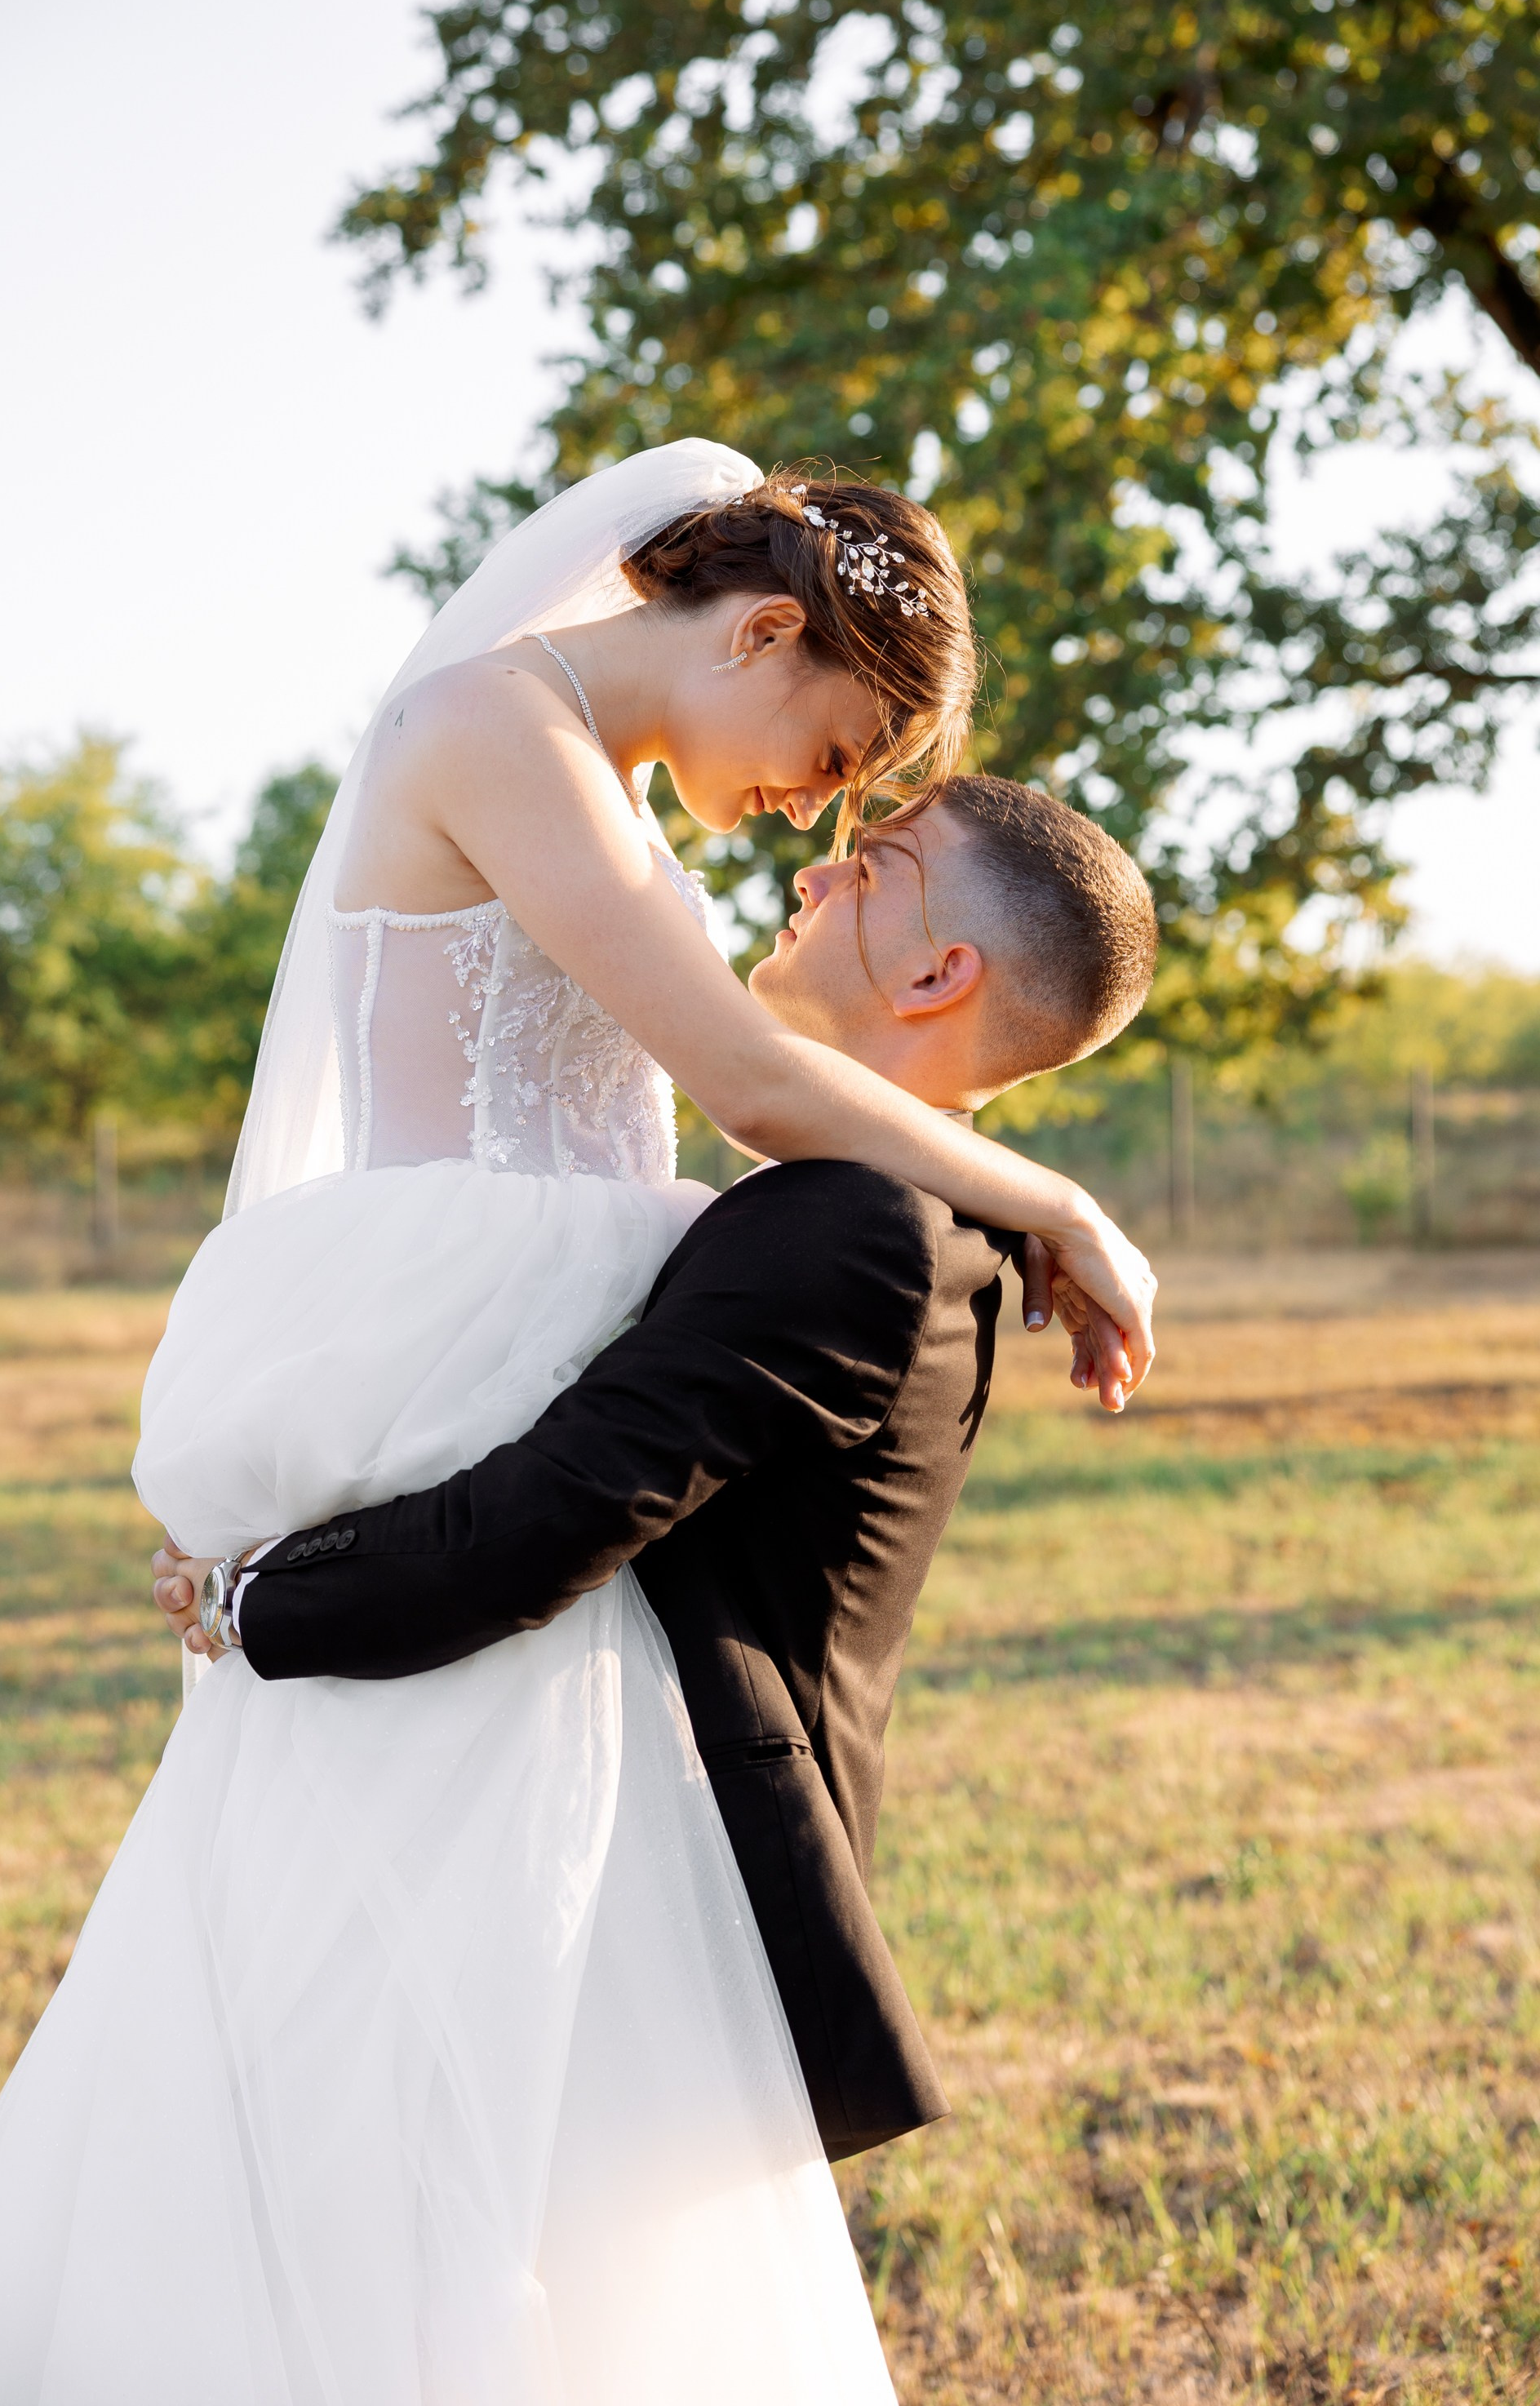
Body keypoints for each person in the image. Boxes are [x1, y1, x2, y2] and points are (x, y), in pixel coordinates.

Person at [0, 442, 1156, 2406]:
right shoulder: (494, 726)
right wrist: (1054, 1198)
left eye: (853, 802)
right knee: (357, 2017)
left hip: (538, 1426)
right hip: (459, 1365)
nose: (813, 810)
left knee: (492, 2048)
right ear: (758, 632)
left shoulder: (620, 811)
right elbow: (749, 1084)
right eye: (831, 753)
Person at [153, 773, 1158, 2169]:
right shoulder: (930, 1215)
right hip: (642, 1837)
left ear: (941, 973)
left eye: (874, 867)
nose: (813, 875)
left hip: (670, 1875)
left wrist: (249, 1600)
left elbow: (547, 1519)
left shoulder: (853, 1225)